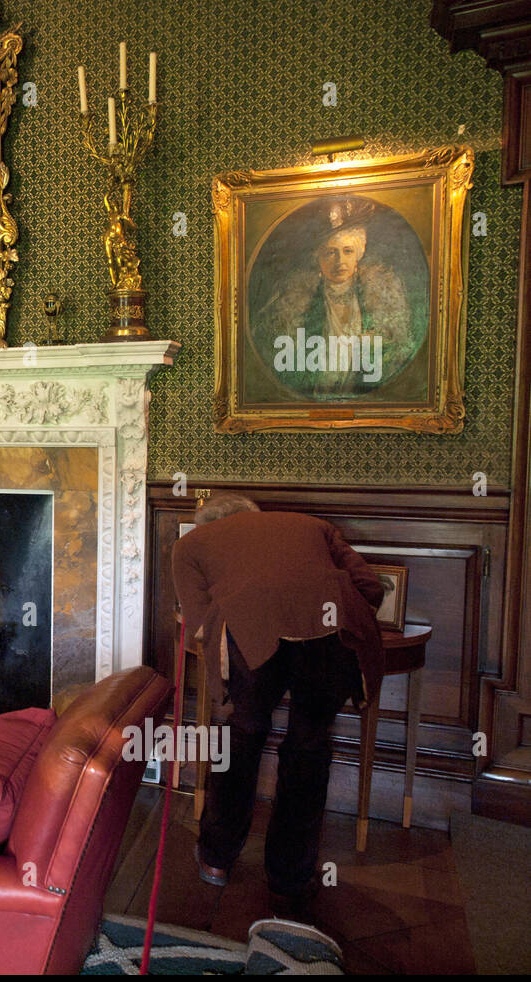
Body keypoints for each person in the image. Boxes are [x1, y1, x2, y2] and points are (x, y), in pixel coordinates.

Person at [171, 492, 384, 909]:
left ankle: (216, 859)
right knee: (309, 743)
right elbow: (370, 586)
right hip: (332, 625)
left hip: (248, 626)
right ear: (254, 514)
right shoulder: (312, 525)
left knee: (242, 735)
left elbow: (197, 623)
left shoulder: (191, 544)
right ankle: (290, 877)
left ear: (206, 523)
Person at [249, 197, 415, 399]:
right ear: (318, 258)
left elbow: (395, 355)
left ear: (358, 255)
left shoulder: (381, 299)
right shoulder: (296, 303)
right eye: (330, 253)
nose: (340, 261)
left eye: (348, 251)